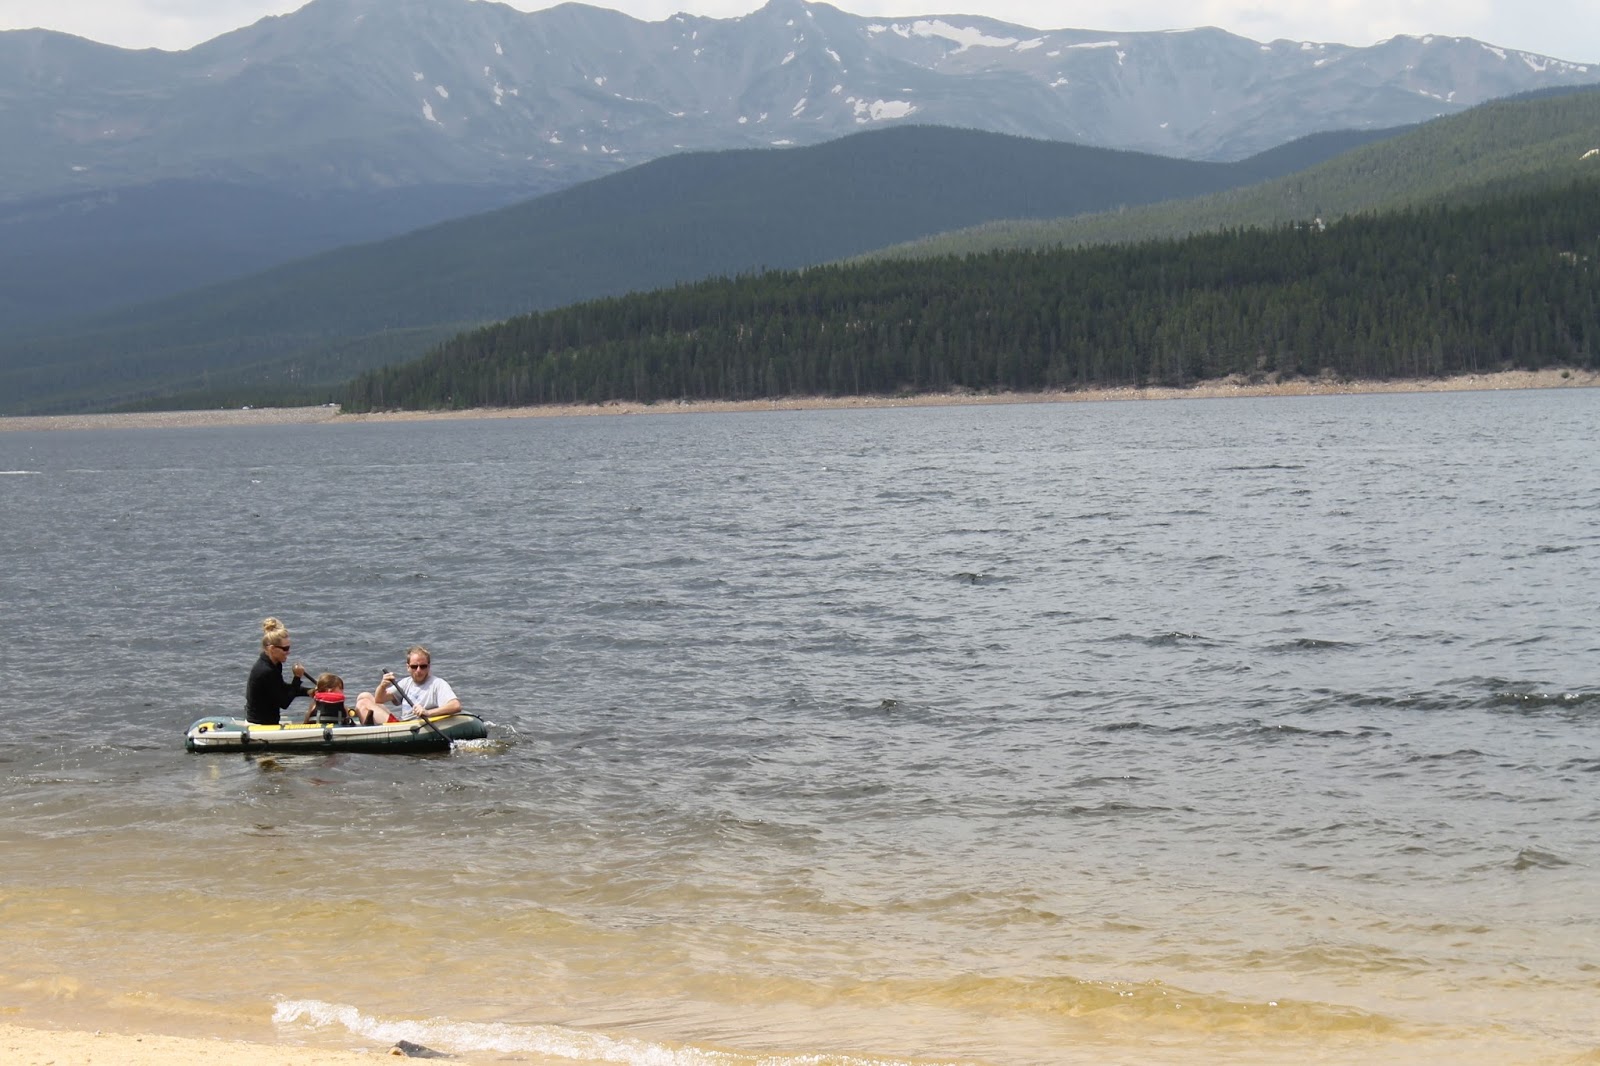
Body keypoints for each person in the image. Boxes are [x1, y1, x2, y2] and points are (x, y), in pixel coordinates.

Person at [355, 645, 460, 725]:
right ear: (408, 667)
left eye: (423, 666)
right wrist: (382, 686)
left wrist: (428, 712)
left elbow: (455, 706)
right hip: (402, 725)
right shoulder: (406, 682)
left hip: (415, 726)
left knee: (363, 703)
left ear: (428, 667)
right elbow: (379, 699)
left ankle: (369, 735)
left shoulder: (437, 683)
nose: (418, 670)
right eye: (414, 667)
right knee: (364, 696)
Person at [245, 617, 308, 725]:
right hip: (260, 725)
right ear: (272, 649)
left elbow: (280, 688)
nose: (288, 652)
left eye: (288, 648)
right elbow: (284, 702)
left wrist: (308, 692)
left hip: (269, 721)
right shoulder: (265, 671)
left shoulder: (275, 664)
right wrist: (297, 677)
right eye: (285, 649)